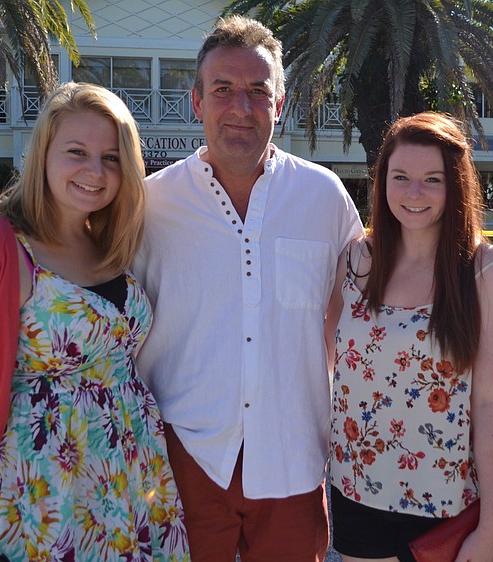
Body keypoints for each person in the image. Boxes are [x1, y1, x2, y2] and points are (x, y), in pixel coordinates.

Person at [131, 15, 364, 562]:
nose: (241, 107)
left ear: (279, 104)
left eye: (258, 92)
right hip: (181, 461)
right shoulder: (150, 205)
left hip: (293, 459)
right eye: (223, 90)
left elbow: (369, 306)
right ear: (196, 102)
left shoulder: (323, 197)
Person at [0, 82, 190, 561]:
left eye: (112, 157)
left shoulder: (113, 244)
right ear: (43, 154)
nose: (95, 171)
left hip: (131, 494)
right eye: (77, 152)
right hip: (40, 510)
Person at [325, 112, 493, 562]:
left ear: (455, 186)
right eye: (401, 177)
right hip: (357, 492)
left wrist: (492, 523)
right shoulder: (356, 261)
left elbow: (491, 403)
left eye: (432, 179)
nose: (414, 193)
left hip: (446, 506)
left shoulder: (486, 273)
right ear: (383, 181)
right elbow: (334, 365)